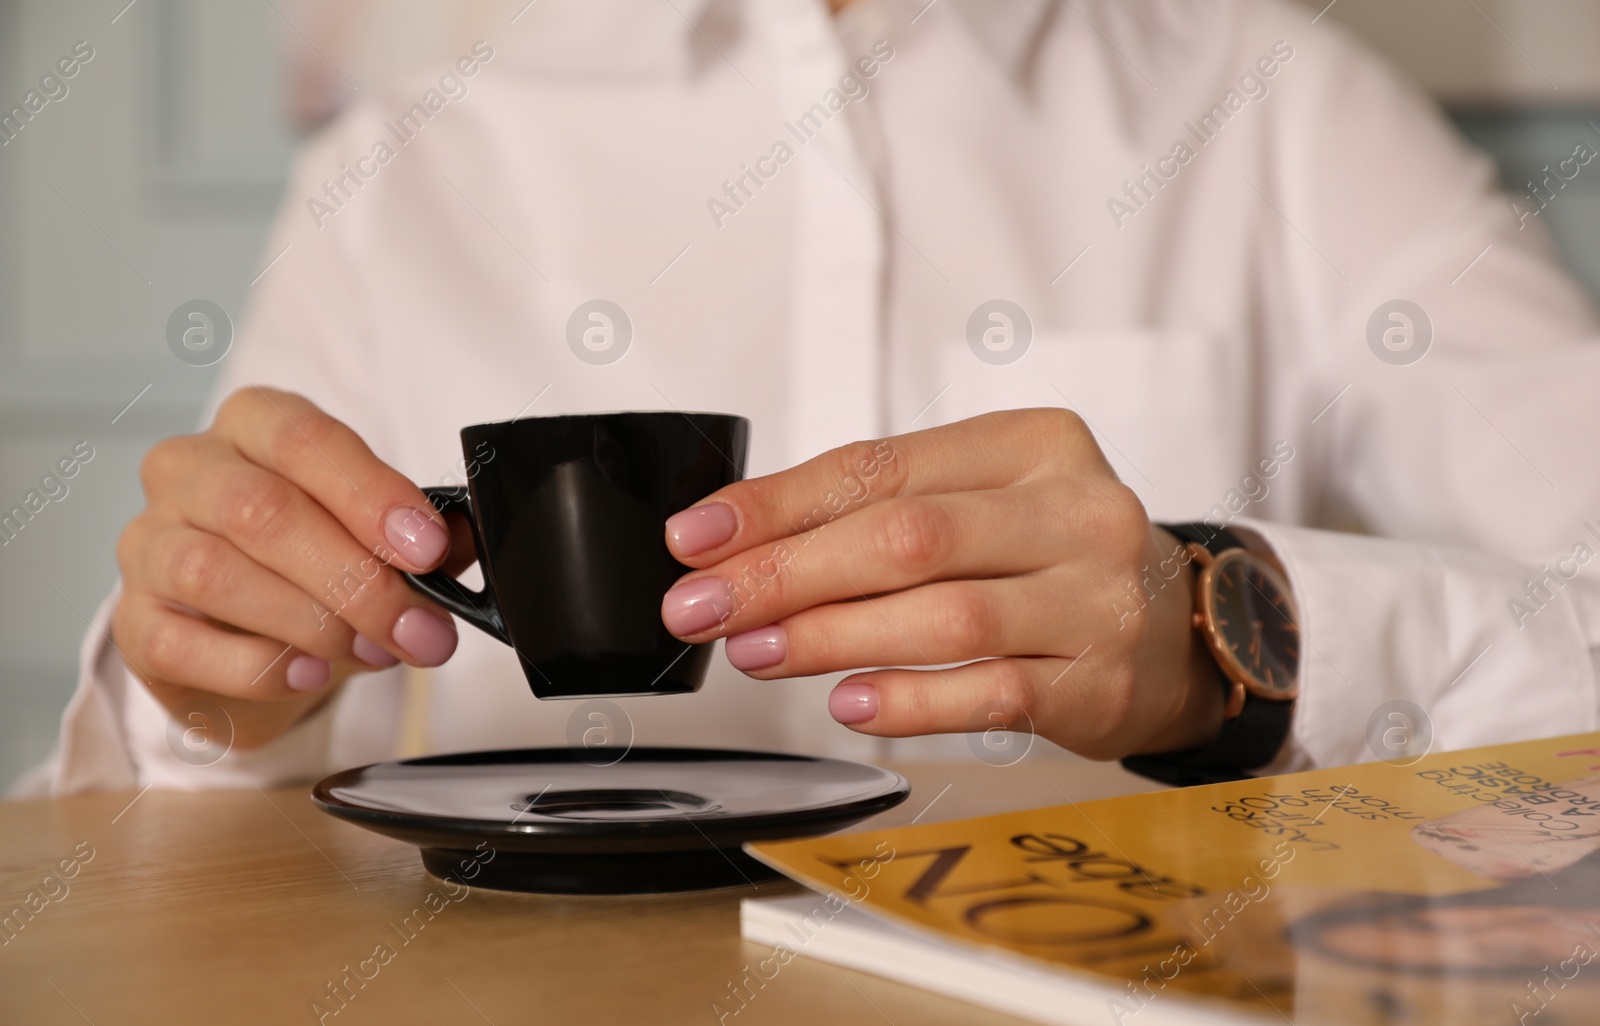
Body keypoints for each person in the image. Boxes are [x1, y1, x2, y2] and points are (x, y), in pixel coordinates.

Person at [21, 0, 1600, 794]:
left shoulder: (1270, 104)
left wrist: (1224, 641)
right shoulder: (403, 164)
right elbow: (157, 849)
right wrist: (208, 707)